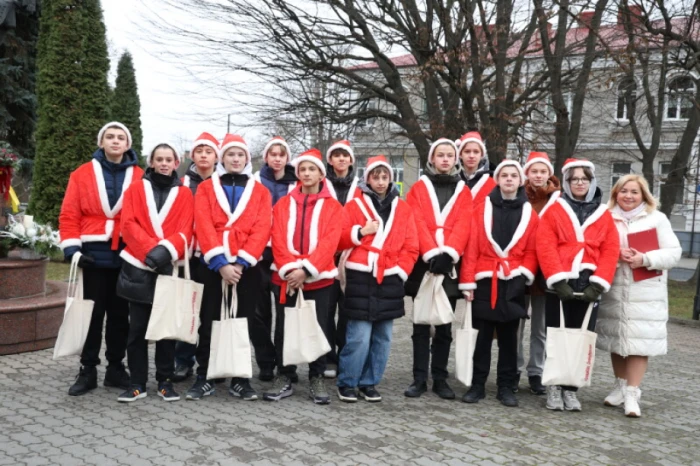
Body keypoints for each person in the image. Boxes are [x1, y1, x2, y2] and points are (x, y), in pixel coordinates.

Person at [58, 122, 143, 396]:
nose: (115, 141)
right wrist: (73, 250)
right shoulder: (81, 174)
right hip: (93, 255)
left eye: (121, 137)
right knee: (91, 317)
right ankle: (88, 369)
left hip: (126, 255)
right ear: (102, 142)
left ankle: (115, 369)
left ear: (128, 144)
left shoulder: (141, 176)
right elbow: (69, 214)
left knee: (121, 317)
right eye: (110, 137)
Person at [186, 134, 272, 401]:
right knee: (208, 320)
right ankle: (205, 376)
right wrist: (220, 262)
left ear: (247, 158)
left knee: (242, 321)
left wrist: (243, 261)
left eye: (240, 155)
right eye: (230, 154)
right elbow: (203, 223)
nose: (235, 159)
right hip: (212, 265)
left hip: (247, 267)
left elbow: (262, 227)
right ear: (222, 158)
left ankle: (241, 378)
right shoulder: (206, 188)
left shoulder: (260, 191)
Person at [536, 158, 620, 412]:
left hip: (589, 286)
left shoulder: (603, 214)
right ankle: (554, 387)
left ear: (591, 181)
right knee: (556, 338)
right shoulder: (554, 209)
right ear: (568, 183)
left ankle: (571, 389)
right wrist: (557, 279)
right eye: (574, 179)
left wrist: (598, 283)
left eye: (584, 178)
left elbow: (610, 249)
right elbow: (545, 245)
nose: (580, 182)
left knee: (581, 339)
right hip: (559, 285)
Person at [336, 155, 419, 403]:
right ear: (367, 179)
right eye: (376, 177)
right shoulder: (353, 206)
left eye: (385, 177)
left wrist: (401, 270)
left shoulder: (402, 208)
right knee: (358, 335)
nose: (381, 182)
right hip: (360, 275)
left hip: (390, 276)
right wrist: (361, 232)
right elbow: (338, 240)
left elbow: (412, 245)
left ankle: (370, 382)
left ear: (391, 178)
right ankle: (348, 382)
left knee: (383, 336)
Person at [597, 174, 681, 417]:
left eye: (634, 192)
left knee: (638, 343)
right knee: (616, 338)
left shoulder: (657, 219)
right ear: (615, 194)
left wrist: (645, 258)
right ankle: (620, 386)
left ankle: (633, 393)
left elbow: (673, 253)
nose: (628, 196)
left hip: (645, 290)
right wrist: (615, 254)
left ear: (643, 195)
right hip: (614, 288)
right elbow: (597, 247)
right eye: (624, 191)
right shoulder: (606, 217)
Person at [265, 148, 344, 404]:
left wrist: (306, 270)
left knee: (318, 328)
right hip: (286, 279)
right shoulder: (284, 203)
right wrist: (291, 271)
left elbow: (329, 242)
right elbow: (277, 238)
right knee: (284, 329)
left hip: (319, 280)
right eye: (302, 169)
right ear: (297, 173)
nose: (307, 173)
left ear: (322, 173)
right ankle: (285, 375)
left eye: (312, 169)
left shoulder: (333, 206)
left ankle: (317, 376)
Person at [115, 144, 194, 402]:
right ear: (151, 162)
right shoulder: (136, 189)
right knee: (137, 330)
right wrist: (153, 255)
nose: (163, 163)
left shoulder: (184, 194)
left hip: (168, 268)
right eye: (158, 159)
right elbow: (128, 224)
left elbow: (186, 229)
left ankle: (165, 381)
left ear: (176, 162)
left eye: (167, 159)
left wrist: (166, 252)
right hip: (139, 267)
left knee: (165, 330)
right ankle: (137, 382)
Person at [459, 160, 539, 407]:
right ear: (497, 179)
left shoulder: (530, 213)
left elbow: (532, 249)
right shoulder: (480, 209)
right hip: (485, 279)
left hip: (513, 280)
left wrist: (523, 274)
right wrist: (468, 283)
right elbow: (471, 248)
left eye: (513, 175)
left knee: (509, 339)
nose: (508, 179)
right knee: (482, 337)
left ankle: (506, 386)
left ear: (520, 180)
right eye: (504, 175)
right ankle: (477, 385)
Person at [404, 138, 473, 399]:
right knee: (420, 324)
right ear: (431, 159)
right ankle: (419, 378)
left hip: (449, 267)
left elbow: (464, 224)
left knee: (444, 325)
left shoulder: (463, 191)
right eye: (440, 155)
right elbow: (415, 220)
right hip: (424, 266)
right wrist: (432, 253)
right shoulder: (418, 189)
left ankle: (440, 379)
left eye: (449, 155)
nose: (445, 159)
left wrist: (449, 254)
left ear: (455, 160)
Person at [172, 132, 220, 383]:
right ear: (192, 155)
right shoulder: (181, 183)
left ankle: (209, 359)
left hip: (212, 258)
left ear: (216, 156)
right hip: (186, 256)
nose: (203, 155)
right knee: (186, 310)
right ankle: (183, 360)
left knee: (210, 312)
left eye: (208, 151)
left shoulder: (223, 184)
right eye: (199, 150)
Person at [251, 136, 298, 383]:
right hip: (258, 256)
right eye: (273, 154)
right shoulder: (255, 181)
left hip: (285, 255)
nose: (277, 158)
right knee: (259, 315)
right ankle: (265, 362)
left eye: (282, 154)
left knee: (285, 314)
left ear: (287, 158)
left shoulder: (297, 184)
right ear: (266, 157)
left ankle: (286, 365)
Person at [515, 152, 560, 395]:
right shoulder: (519, 196)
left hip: (545, 270)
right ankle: (514, 368)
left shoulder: (558, 199)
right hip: (520, 266)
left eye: (543, 171)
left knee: (540, 327)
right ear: (527, 174)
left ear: (549, 174)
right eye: (534, 171)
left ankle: (537, 371)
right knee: (516, 324)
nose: (539, 175)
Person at [323, 139, 362, 378]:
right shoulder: (321, 184)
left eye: (344, 155)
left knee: (348, 310)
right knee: (326, 310)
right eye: (336, 155)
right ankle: (328, 358)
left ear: (351, 160)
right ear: (330, 160)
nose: (341, 159)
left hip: (351, 256)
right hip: (327, 257)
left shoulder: (361, 187)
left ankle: (345, 354)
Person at [456, 131, 496, 205]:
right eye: (467, 151)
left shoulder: (492, 182)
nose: (471, 156)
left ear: (481, 155)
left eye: (476, 152)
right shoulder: (453, 180)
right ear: (460, 154)